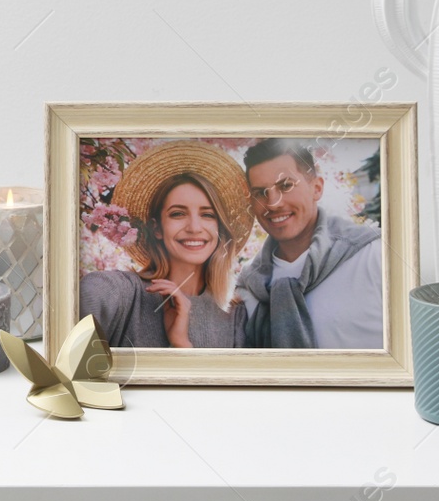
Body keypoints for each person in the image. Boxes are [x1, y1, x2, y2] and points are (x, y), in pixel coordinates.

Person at [80, 141, 253, 348]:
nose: (194, 227)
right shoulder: (121, 292)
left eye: (208, 215)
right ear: (157, 229)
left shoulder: (235, 316)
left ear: (220, 229)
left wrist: (181, 344)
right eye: (178, 214)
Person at [236, 139, 383, 349]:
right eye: (260, 193)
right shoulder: (249, 284)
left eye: (285, 186)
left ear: (316, 188)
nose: (273, 203)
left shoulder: (373, 255)